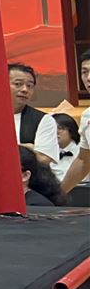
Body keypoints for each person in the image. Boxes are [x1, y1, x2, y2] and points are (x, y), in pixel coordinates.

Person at [60, 51, 90, 194]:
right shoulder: (87, 116)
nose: (88, 78)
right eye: (84, 72)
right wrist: (58, 196)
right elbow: (84, 161)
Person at [50, 113, 79, 182]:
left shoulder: (84, 151)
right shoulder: (45, 153)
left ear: (71, 131)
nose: (55, 132)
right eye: (52, 129)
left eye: (60, 128)